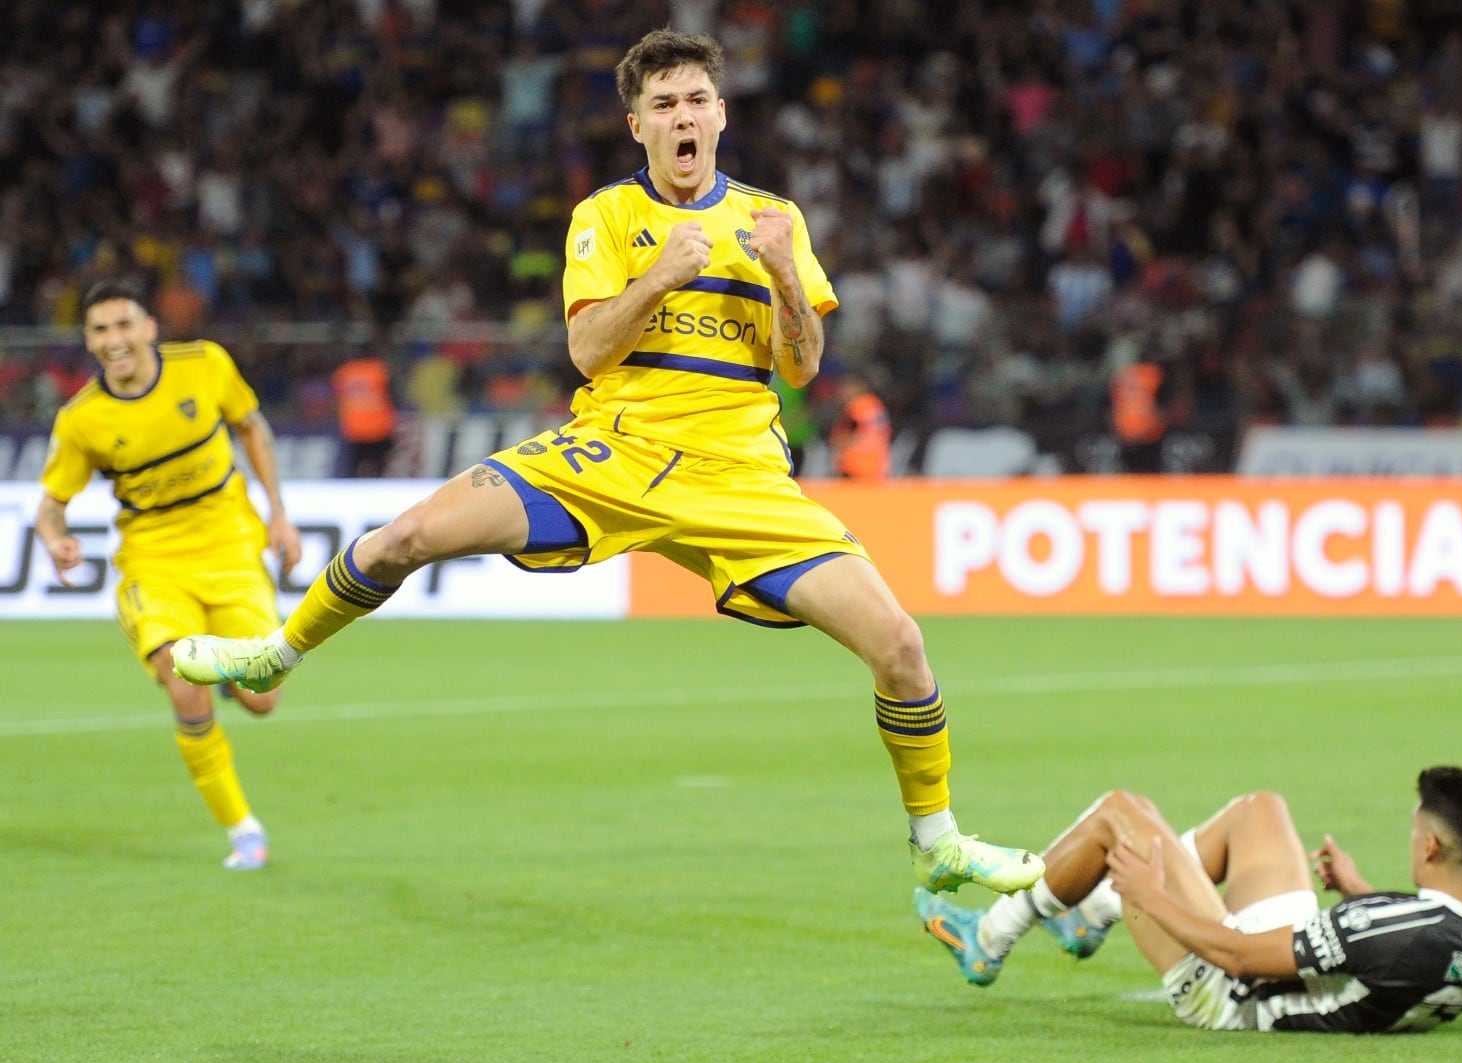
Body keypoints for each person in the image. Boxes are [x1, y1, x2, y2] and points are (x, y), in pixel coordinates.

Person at [172, 29, 1042, 898]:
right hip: (610, 453)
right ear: (638, 126)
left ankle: (938, 841)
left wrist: (783, 272)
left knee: (900, 645)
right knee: (406, 537)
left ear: (721, 114)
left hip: (738, 475)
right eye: (664, 105)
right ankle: (276, 655)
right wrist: (657, 277)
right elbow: (587, 351)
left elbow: (803, 366)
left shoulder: (774, 218)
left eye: (696, 100)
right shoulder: (606, 217)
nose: (683, 117)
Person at [915, 766, 1462, 1034]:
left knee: (1121, 815)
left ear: (1431, 846)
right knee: (1262, 810)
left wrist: (1147, 897)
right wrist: (1357, 891)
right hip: (1296, 968)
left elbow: (1238, 959)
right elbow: (1401, 946)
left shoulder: (1383, 932)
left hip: (1237, 994)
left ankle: (989, 938)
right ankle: (1088, 916)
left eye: (1414, 831)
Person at [35, 278, 303, 870]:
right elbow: (50, 506)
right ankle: (243, 831)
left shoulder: (205, 365)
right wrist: (55, 540)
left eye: (124, 324)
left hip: (232, 552)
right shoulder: (82, 419)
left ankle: (229, 675)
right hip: (152, 563)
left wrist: (279, 514)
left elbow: (252, 427)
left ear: (149, 327)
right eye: (100, 330)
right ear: (88, 340)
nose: (114, 339)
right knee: (182, 680)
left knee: (263, 697)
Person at [330, 350, 398, 478]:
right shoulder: (379, 369)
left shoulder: (344, 372)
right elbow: (392, 395)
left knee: (353, 466)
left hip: (354, 427)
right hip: (379, 427)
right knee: (379, 464)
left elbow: (337, 397)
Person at [829, 371, 891, 479]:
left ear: (859, 387)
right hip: (876, 465)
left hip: (855, 464)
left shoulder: (856, 406)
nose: (843, 392)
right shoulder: (875, 404)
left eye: (847, 387)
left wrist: (838, 445)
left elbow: (851, 433)